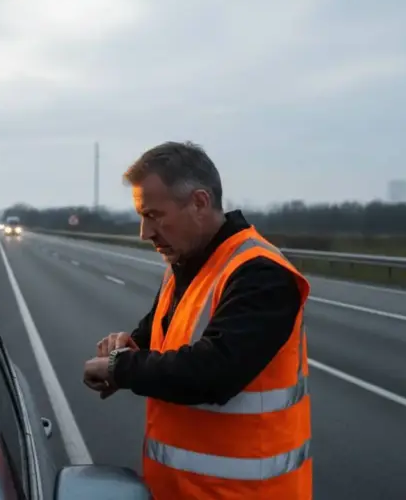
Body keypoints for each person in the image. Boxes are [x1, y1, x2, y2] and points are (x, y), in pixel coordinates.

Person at [82, 141, 312, 499]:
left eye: (154, 215)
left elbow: (215, 371)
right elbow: (154, 338)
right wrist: (125, 346)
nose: (145, 233)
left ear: (200, 203)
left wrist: (121, 369)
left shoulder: (261, 273)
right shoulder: (184, 265)